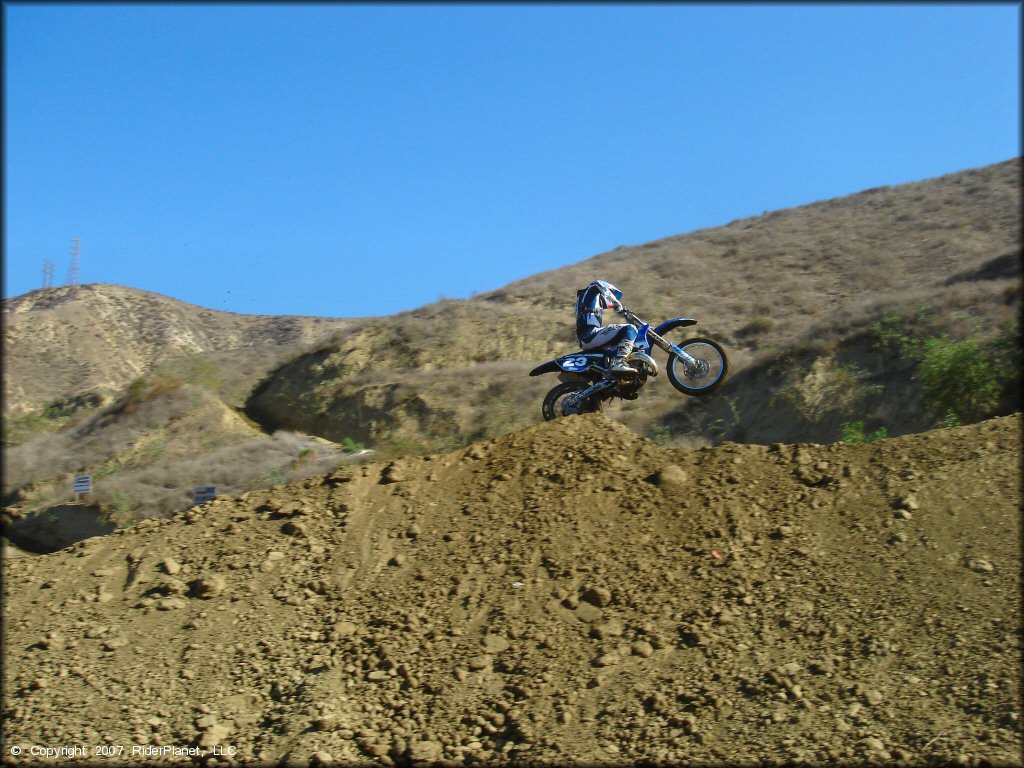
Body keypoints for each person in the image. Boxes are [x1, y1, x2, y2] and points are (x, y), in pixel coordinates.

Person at [574, 279, 637, 374]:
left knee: (620, 341)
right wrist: (615, 301)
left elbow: (609, 304)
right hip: (589, 335)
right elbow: (597, 283)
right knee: (630, 328)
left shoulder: (587, 300)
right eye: (613, 294)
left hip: (586, 337)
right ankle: (619, 363)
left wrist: (624, 312)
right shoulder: (591, 291)